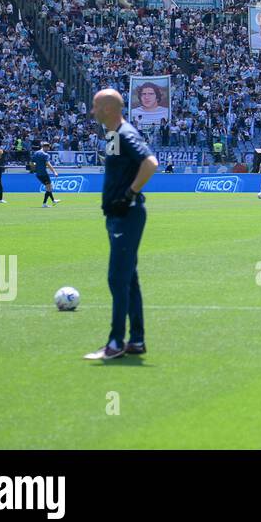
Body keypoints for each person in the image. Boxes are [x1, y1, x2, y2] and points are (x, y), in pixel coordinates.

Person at [84, 88, 159, 361]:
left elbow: (150, 163)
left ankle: (115, 342)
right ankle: (136, 340)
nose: (92, 112)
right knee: (129, 279)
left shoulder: (125, 133)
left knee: (117, 278)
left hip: (126, 215)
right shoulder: (113, 135)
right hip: (117, 215)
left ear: (107, 109)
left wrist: (129, 194)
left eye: (95, 106)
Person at [32, 142, 60, 208]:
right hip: (43, 173)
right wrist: (54, 172)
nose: (48, 149)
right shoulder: (45, 155)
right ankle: (44, 204)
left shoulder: (36, 153)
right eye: (48, 148)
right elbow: (48, 164)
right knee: (49, 187)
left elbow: (32, 163)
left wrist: (34, 170)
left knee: (48, 187)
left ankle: (53, 200)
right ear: (46, 147)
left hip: (38, 174)